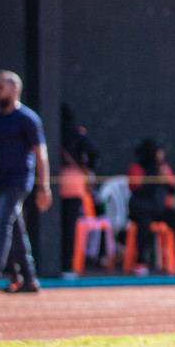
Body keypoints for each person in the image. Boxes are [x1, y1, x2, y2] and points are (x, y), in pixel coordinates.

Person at [0, 72, 49, 293]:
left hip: (18, 182)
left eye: (1, 87)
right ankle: (29, 279)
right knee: (16, 229)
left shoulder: (27, 118)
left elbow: (40, 153)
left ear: (14, 90)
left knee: (1, 225)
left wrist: (44, 186)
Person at [127, 138, 175, 271]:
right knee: (143, 226)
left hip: (159, 209)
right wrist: (155, 178)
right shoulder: (136, 168)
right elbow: (137, 189)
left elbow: (173, 188)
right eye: (158, 152)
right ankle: (141, 262)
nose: (161, 155)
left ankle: (174, 257)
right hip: (141, 209)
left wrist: (165, 179)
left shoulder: (163, 168)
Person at [58, 103, 99, 277]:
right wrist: (86, 167)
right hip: (74, 183)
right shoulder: (76, 133)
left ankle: (50, 264)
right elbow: (94, 152)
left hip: (53, 182)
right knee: (69, 226)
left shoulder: (54, 131)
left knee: (51, 226)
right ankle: (67, 267)